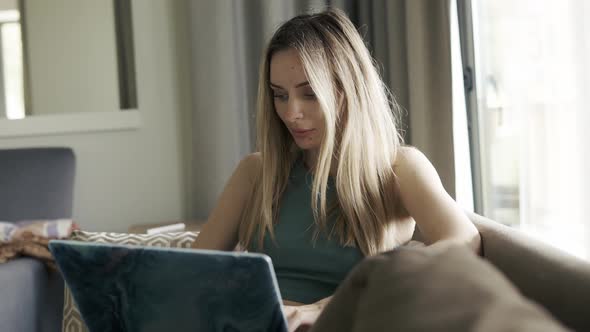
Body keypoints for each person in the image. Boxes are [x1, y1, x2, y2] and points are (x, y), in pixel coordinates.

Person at [192, 8, 481, 332]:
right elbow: (190, 271)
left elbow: (464, 239)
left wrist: (321, 308)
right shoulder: (256, 172)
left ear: (348, 89)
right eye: (280, 95)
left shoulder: (398, 168)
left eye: (310, 93)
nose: (290, 113)